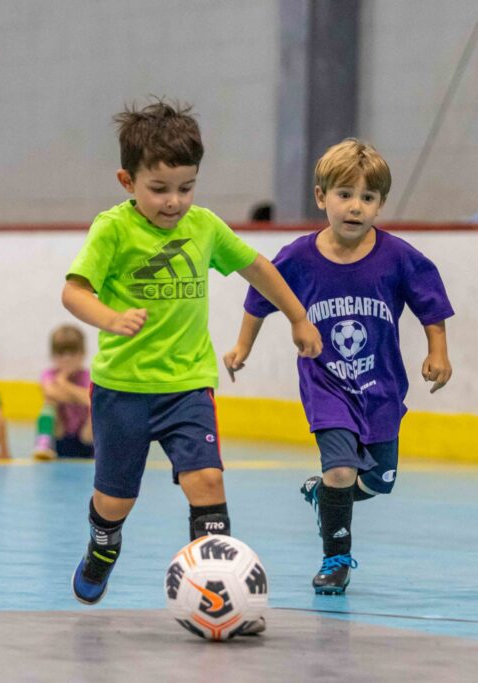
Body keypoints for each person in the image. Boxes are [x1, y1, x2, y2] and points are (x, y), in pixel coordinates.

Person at [63, 99, 321, 615]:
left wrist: (297, 316)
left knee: (207, 481)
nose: (174, 201)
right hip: (122, 389)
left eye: (186, 187)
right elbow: (74, 292)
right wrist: (109, 318)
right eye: (159, 189)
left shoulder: (203, 227)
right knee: (116, 500)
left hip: (188, 385)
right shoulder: (112, 229)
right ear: (127, 181)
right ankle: (103, 546)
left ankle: (215, 592)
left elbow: (257, 269)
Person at [225, 139, 454, 594]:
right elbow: (260, 296)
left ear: (380, 204)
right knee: (342, 470)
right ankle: (336, 559)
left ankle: (322, 494)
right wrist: (242, 346)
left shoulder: (397, 256)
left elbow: (430, 304)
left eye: (368, 198)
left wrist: (438, 351)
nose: (355, 207)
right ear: (321, 197)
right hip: (326, 384)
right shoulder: (298, 257)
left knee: (379, 482)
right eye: (344, 195)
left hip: (380, 387)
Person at [33, 325, 94, 460]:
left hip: (85, 437)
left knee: (96, 407)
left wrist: (64, 383)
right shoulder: (49, 374)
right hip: (60, 435)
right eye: (61, 354)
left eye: (72, 353)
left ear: (82, 353)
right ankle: (44, 442)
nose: (67, 359)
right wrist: (79, 396)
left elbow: (91, 399)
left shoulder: (88, 376)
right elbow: (50, 393)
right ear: (53, 355)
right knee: (49, 401)